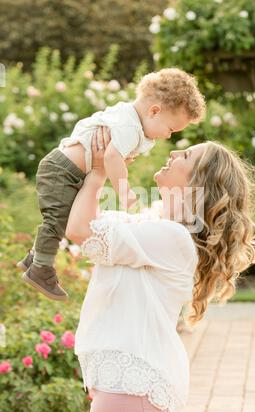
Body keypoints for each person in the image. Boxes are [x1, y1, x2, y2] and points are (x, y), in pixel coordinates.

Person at [65, 128, 255, 412]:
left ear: (198, 183)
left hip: (130, 390)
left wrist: (98, 171)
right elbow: (84, 218)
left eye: (185, 156)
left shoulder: (172, 238)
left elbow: (81, 231)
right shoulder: (157, 225)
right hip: (125, 388)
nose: (173, 153)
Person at [17, 68, 206, 301]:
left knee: (64, 217)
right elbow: (110, 158)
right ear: (154, 111)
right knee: (57, 220)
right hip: (63, 171)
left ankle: (35, 257)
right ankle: (41, 268)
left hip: (70, 170)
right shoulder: (129, 127)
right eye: (171, 129)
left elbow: (112, 155)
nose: (168, 137)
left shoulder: (127, 117)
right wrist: (125, 193)